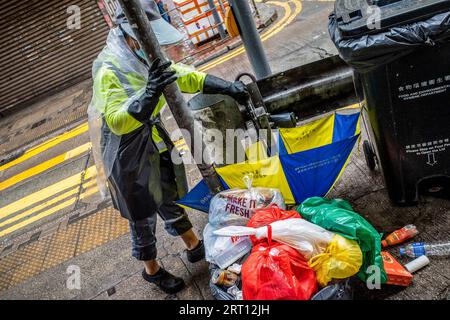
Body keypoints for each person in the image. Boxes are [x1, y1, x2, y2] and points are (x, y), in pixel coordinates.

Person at [88, 0, 249, 294]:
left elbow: (184, 76)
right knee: (143, 213)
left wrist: (227, 87)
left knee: (168, 194)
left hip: (153, 140)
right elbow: (117, 121)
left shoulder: (145, 56)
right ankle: (152, 270)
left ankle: (191, 242)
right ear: (127, 37)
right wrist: (149, 94)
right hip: (126, 153)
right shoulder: (109, 70)